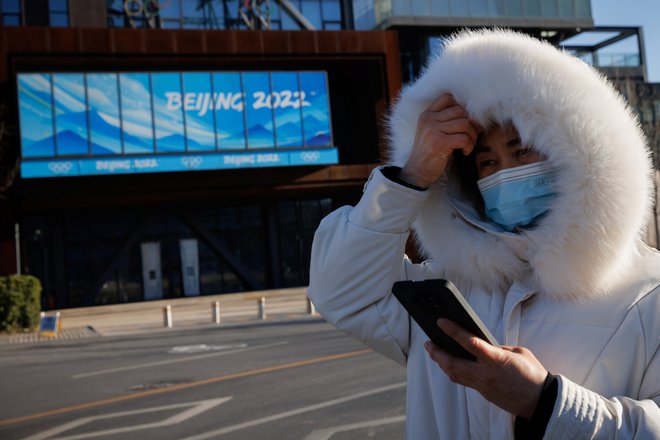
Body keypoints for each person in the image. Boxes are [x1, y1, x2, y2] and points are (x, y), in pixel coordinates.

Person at [308, 29, 660, 439]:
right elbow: (338, 291)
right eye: (487, 162)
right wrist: (411, 174)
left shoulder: (648, 292)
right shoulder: (447, 287)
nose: (505, 173)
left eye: (523, 150)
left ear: (579, 150)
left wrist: (546, 402)